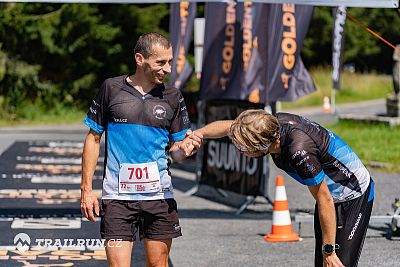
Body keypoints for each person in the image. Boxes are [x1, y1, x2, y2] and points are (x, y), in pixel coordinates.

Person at [187, 109, 374, 267]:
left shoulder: (299, 152)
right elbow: (231, 126)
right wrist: (198, 134)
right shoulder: (268, 126)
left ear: (261, 146)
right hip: (332, 197)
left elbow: (324, 199)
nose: (239, 151)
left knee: (335, 261)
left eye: (243, 148)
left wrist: (329, 250)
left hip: (353, 193)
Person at [80, 32, 201, 267]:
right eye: (160, 62)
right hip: (117, 199)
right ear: (139, 59)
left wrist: (185, 150)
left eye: (169, 61)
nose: (167, 68)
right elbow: (93, 139)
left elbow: (175, 151)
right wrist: (86, 190)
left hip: (159, 198)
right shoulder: (111, 89)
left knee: (158, 265)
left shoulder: (173, 96)